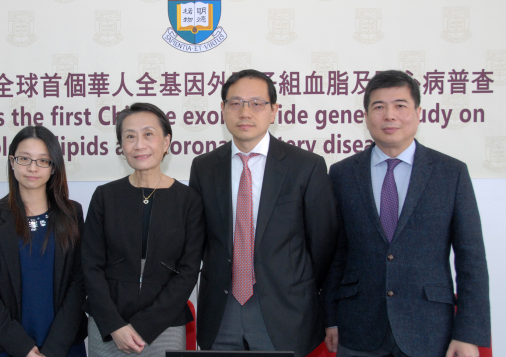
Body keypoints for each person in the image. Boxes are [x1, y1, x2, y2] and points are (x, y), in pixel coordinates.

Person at [323, 70, 490, 357]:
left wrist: (468, 334)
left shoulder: (451, 173)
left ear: (418, 113)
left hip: (429, 330)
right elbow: (335, 255)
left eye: (400, 105)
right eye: (379, 107)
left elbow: (470, 258)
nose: (390, 116)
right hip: (357, 328)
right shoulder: (342, 174)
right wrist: (330, 319)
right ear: (365, 116)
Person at [189, 69, 338, 356]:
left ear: (273, 111)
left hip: (285, 311)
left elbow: (323, 244)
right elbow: (201, 241)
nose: (245, 111)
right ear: (222, 110)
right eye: (235, 103)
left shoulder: (305, 166)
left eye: (257, 103)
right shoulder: (204, 167)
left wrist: (293, 285)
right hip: (222, 311)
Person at [82, 102, 205, 356]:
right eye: (130, 136)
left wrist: (144, 326)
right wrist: (115, 325)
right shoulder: (105, 196)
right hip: (108, 325)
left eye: (148, 134)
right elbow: (90, 266)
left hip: (164, 325)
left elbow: (188, 271)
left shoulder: (188, 200)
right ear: (121, 146)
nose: (139, 144)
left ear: (166, 141)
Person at [0, 125, 87, 357]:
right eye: (24, 158)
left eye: (43, 160)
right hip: (7, 344)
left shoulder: (72, 213)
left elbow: (80, 281)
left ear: (54, 167)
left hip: (63, 345)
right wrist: (21, 347)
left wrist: (54, 348)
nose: (33, 168)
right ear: (12, 161)